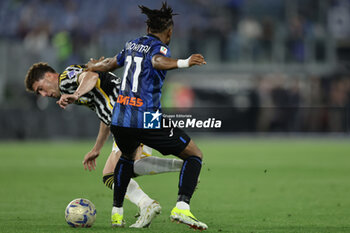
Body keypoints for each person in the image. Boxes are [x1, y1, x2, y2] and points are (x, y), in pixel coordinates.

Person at [87, 2, 208, 230]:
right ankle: (182, 208)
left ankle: (116, 214)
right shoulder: (160, 48)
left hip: (119, 119)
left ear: (148, 28)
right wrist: (184, 62)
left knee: (125, 158)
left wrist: (90, 67)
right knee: (194, 155)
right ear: (169, 32)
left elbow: (110, 63)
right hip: (146, 118)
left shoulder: (131, 44)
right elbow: (156, 61)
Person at [24, 62, 184, 228]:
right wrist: (96, 149)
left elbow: (91, 76)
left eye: (40, 89)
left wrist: (77, 94)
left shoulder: (65, 79)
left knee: (127, 167)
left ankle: (162, 189)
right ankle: (150, 200)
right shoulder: (76, 87)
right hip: (129, 114)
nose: (43, 94)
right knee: (111, 175)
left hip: (129, 116)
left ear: (49, 76)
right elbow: (103, 112)